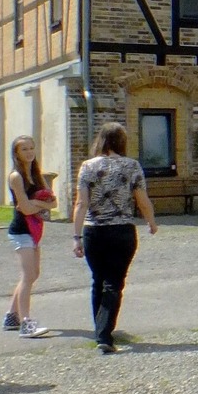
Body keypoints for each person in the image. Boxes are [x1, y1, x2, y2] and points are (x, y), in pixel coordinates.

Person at [71, 122, 158, 355]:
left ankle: (101, 329)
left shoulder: (87, 166)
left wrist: (76, 236)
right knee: (114, 282)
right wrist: (151, 221)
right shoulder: (131, 166)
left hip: (94, 230)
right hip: (122, 230)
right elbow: (142, 199)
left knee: (98, 280)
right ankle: (104, 335)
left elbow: (81, 203)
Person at [3, 135, 54, 339]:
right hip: (21, 231)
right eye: (24, 149)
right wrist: (40, 205)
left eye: (31, 148)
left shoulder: (37, 175)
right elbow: (24, 208)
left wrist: (38, 204)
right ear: (16, 153)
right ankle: (26, 324)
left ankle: (11, 316)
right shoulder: (16, 176)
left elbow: (53, 203)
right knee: (27, 276)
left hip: (34, 230)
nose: (29, 152)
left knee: (33, 274)